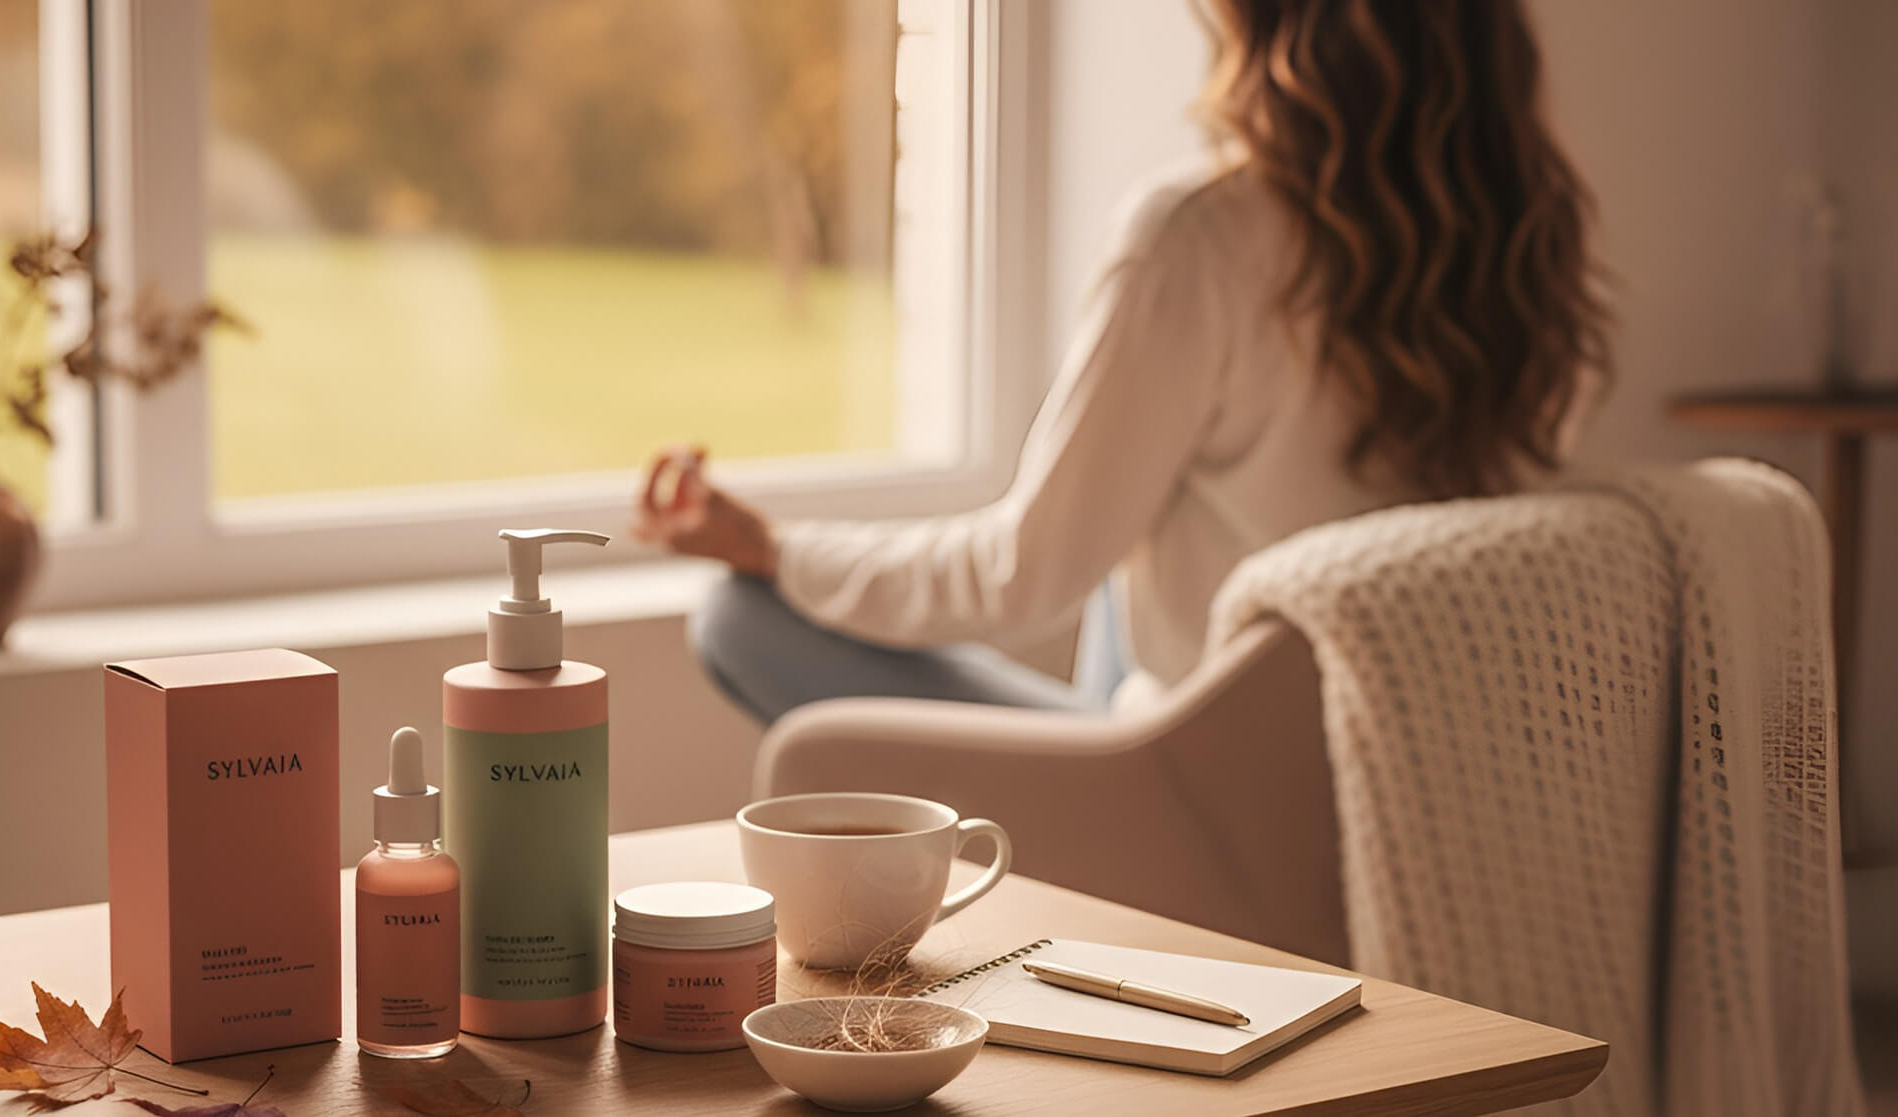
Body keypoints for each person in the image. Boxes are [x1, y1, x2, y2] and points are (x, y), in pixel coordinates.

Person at [634, 0, 1608, 727]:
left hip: (1200, 789)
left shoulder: (1202, 236)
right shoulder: (1531, 245)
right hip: (1391, 764)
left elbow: (1018, 575)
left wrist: (772, 546)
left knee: (736, 616)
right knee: (1135, 532)